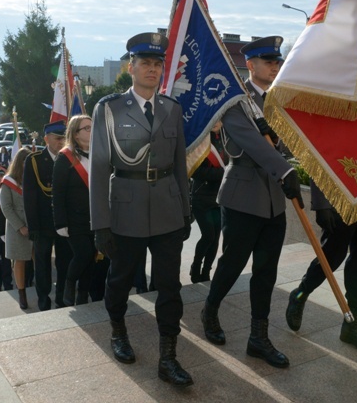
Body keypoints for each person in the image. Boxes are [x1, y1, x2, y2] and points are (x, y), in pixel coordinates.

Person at [90, 32, 193, 387]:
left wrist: (185, 211)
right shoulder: (109, 108)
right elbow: (100, 168)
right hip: (126, 208)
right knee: (120, 280)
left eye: (157, 64)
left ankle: (169, 357)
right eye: (145, 63)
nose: (152, 69)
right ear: (130, 67)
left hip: (166, 208)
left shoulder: (171, 109)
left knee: (169, 287)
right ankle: (118, 331)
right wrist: (100, 223)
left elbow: (179, 165)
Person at [200, 36, 303, 369]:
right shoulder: (236, 101)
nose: (274, 67)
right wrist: (284, 168)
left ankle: (258, 338)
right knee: (232, 263)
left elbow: (286, 141)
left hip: (274, 196)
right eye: (268, 62)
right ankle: (210, 309)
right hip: (243, 193)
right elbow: (251, 144)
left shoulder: (277, 100)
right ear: (251, 65)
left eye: (277, 62)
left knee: (266, 271)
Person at [285, 183, 357, 354]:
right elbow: (320, 159)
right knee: (329, 259)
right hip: (341, 203)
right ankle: (300, 294)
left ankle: (351, 326)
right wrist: (321, 205)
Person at [23, 120, 72, 311]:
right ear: (46, 139)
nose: (61, 142)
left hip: (64, 222)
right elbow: (29, 196)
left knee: (64, 262)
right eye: (58, 138)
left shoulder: (69, 158)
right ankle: (43, 298)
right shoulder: (34, 160)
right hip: (42, 224)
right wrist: (33, 226)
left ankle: (61, 297)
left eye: (64, 138)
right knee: (42, 264)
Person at [53, 115, 94, 307]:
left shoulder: (98, 153)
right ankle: (70, 284)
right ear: (76, 134)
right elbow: (58, 193)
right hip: (74, 218)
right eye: (86, 128)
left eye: (92, 127)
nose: (91, 130)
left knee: (92, 257)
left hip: (95, 217)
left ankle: (83, 295)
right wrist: (60, 222)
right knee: (83, 254)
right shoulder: (65, 157)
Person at [189, 120, 226, 283]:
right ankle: (196, 266)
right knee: (208, 235)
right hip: (201, 197)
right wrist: (222, 174)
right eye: (213, 118)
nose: (216, 122)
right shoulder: (200, 140)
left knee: (216, 237)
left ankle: (206, 271)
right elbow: (195, 171)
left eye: (220, 118)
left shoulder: (226, 140)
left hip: (220, 197)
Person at [0, 147, 32, 310]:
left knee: (38, 258)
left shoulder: (34, 178)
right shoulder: (9, 181)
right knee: (19, 261)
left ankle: (38, 288)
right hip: (17, 228)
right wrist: (20, 226)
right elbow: (6, 207)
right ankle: (21, 294)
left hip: (35, 225)